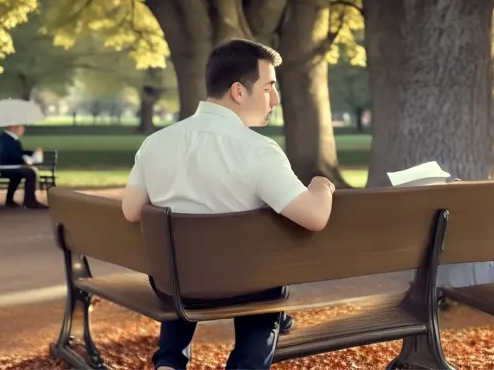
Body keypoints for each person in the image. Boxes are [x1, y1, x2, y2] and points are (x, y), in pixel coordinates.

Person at [121, 39, 336, 370]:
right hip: (244, 289)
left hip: (175, 286)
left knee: (180, 261)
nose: (275, 99)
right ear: (238, 91)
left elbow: (131, 211)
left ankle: (169, 361)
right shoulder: (258, 151)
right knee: (266, 282)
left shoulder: (156, 144)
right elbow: (315, 217)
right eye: (268, 88)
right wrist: (321, 185)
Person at [0, 124, 47, 209]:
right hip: (7, 168)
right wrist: (25, 161)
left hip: (9, 167)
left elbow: (18, 153)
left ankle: (10, 200)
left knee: (18, 176)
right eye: (22, 127)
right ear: (13, 127)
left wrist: (32, 153)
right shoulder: (7, 139)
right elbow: (13, 156)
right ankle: (29, 201)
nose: (24, 129)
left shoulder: (8, 139)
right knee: (30, 173)